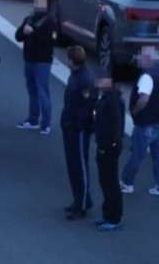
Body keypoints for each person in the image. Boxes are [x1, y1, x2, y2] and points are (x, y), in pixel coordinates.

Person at [120, 45, 159, 197]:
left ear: (147, 59)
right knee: (158, 154)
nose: (137, 58)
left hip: (146, 122)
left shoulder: (147, 76)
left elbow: (144, 99)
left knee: (137, 154)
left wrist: (134, 111)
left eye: (140, 56)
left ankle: (127, 183)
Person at [61, 46, 96, 220]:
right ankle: (80, 199)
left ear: (72, 61)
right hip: (71, 127)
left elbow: (87, 107)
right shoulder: (77, 76)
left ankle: (81, 205)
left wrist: (77, 125)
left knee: (80, 167)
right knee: (73, 166)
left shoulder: (84, 80)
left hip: (78, 130)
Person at [15, 0, 56, 135]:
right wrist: (24, 31)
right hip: (29, 59)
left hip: (42, 62)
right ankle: (33, 120)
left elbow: (50, 41)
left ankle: (46, 123)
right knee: (32, 91)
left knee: (42, 91)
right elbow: (18, 36)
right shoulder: (29, 19)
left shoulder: (50, 22)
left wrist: (33, 33)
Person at [93, 74, 125, 231]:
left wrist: (110, 144)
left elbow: (116, 126)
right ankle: (108, 214)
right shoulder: (108, 98)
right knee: (105, 182)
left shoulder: (112, 101)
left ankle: (114, 217)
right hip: (105, 145)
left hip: (108, 148)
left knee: (110, 183)